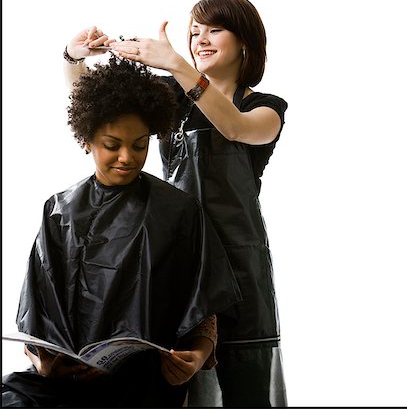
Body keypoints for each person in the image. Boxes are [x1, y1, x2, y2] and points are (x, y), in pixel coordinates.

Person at [62, 0, 288, 407]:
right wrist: (74, 59)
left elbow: (235, 127)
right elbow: (98, 114)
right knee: (177, 383)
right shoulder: (172, 98)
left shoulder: (265, 108)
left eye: (214, 29)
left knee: (247, 389)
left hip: (239, 274)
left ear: (245, 43)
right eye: (194, 31)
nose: (199, 39)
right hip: (178, 263)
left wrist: (175, 65)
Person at [2, 56, 242, 408]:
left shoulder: (178, 211)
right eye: (112, 145)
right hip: (63, 381)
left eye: (140, 145)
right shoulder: (58, 210)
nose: (127, 157)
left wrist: (196, 357)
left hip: (141, 383)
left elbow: (203, 308)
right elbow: (34, 318)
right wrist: (45, 364)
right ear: (87, 140)